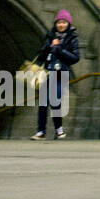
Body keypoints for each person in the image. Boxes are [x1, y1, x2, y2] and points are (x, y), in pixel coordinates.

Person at [32, 9, 80, 140]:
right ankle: (41, 131)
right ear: (55, 24)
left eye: (64, 22)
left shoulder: (72, 38)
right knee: (42, 102)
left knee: (55, 101)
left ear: (68, 24)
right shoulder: (50, 35)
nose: (61, 25)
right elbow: (41, 54)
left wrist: (59, 49)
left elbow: (75, 57)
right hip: (47, 72)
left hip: (61, 73)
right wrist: (49, 47)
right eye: (59, 22)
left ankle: (59, 129)